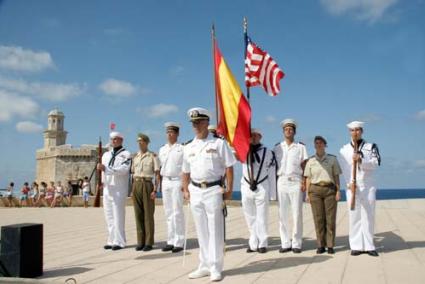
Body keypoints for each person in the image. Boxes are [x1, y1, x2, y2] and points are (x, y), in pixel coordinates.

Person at [182, 107, 236, 282]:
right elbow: (185, 171)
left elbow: (229, 167)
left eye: (199, 122)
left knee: (215, 229)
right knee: (201, 230)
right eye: (194, 123)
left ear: (207, 123)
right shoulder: (188, 146)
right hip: (195, 190)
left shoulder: (218, 144)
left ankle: (215, 267)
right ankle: (204, 265)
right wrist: (185, 188)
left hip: (213, 190)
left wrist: (229, 189)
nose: (196, 125)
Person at [339, 121, 381, 257]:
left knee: (368, 215)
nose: (355, 133)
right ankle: (356, 245)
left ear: (361, 131)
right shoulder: (344, 149)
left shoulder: (371, 147)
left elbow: (376, 163)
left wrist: (362, 160)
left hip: (368, 186)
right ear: (349, 132)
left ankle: (369, 246)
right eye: (352, 130)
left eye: (357, 130)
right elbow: (344, 169)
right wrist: (349, 183)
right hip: (352, 186)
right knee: (354, 216)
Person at [273, 119, 308, 253]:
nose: (288, 131)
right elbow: (273, 166)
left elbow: (305, 165)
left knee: (296, 213)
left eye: (291, 129)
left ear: (294, 131)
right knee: (282, 214)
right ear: (283, 132)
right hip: (281, 181)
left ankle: (297, 243)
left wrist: (304, 182)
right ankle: (285, 242)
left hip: (295, 181)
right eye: (286, 129)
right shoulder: (277, 147)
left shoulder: (300, 147)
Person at [241, 129, 276, 254]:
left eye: (256, 135)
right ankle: (253, 243)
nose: (254, 137)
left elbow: (271, 173)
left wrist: (273, 194)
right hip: (246, 186)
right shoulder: (243, 149)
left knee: (262, 216)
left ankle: (262, 243)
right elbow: (233, 155)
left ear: (261, 137)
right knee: (249, 216)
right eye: (252, 135)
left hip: (262, 186)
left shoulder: (267, 152)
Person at [304, 136, 342, 254]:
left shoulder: (332, 159)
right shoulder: (311, 160)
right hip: (315, 190)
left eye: (321, 143)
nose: (319, 145)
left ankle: (330, 245)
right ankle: (320, 245)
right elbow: (308, 178)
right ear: (314, 146)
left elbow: (336, 176)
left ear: (325, 145)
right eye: (316, 143)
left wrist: (338, 191)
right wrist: (307, 194)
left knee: (330, 219)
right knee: (318, 219)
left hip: (329, 189)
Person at [97, 131, 131, 251]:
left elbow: (124, 169)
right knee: (109, 215)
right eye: (112, 139)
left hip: (119, 188)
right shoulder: (106, 155)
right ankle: (111, 239)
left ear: (121, 140)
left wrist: (106, 169)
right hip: (107, 187)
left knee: (118, 215)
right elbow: (102, 171)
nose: (113, 141)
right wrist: (101, 182)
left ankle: (120, 241)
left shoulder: (126, 154)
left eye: (116, 139)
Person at [158, 122, 185, 253]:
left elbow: (186, 168)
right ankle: (170, 240)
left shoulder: (182, 148)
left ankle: (179, 241)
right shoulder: (162, 149)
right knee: (168, 212)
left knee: (177, 212)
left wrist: (185, 185)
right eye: (168, 132)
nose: (169, 134)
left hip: (177, 181)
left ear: (177, 134)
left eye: (172, 132)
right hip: (165, 181)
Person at [131, 133, 160, 252]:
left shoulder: (152, 156)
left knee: (148, 215)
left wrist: (155, 190)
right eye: (138, 141)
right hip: (136, 184)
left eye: (142, 141)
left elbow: (157, 174)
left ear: (147, 143)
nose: (139, 143)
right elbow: (133, 174)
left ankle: (148, 242)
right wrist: (132, 189)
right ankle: (140, 241)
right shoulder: (135, 157)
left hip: (147, 184)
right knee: (138, 214)